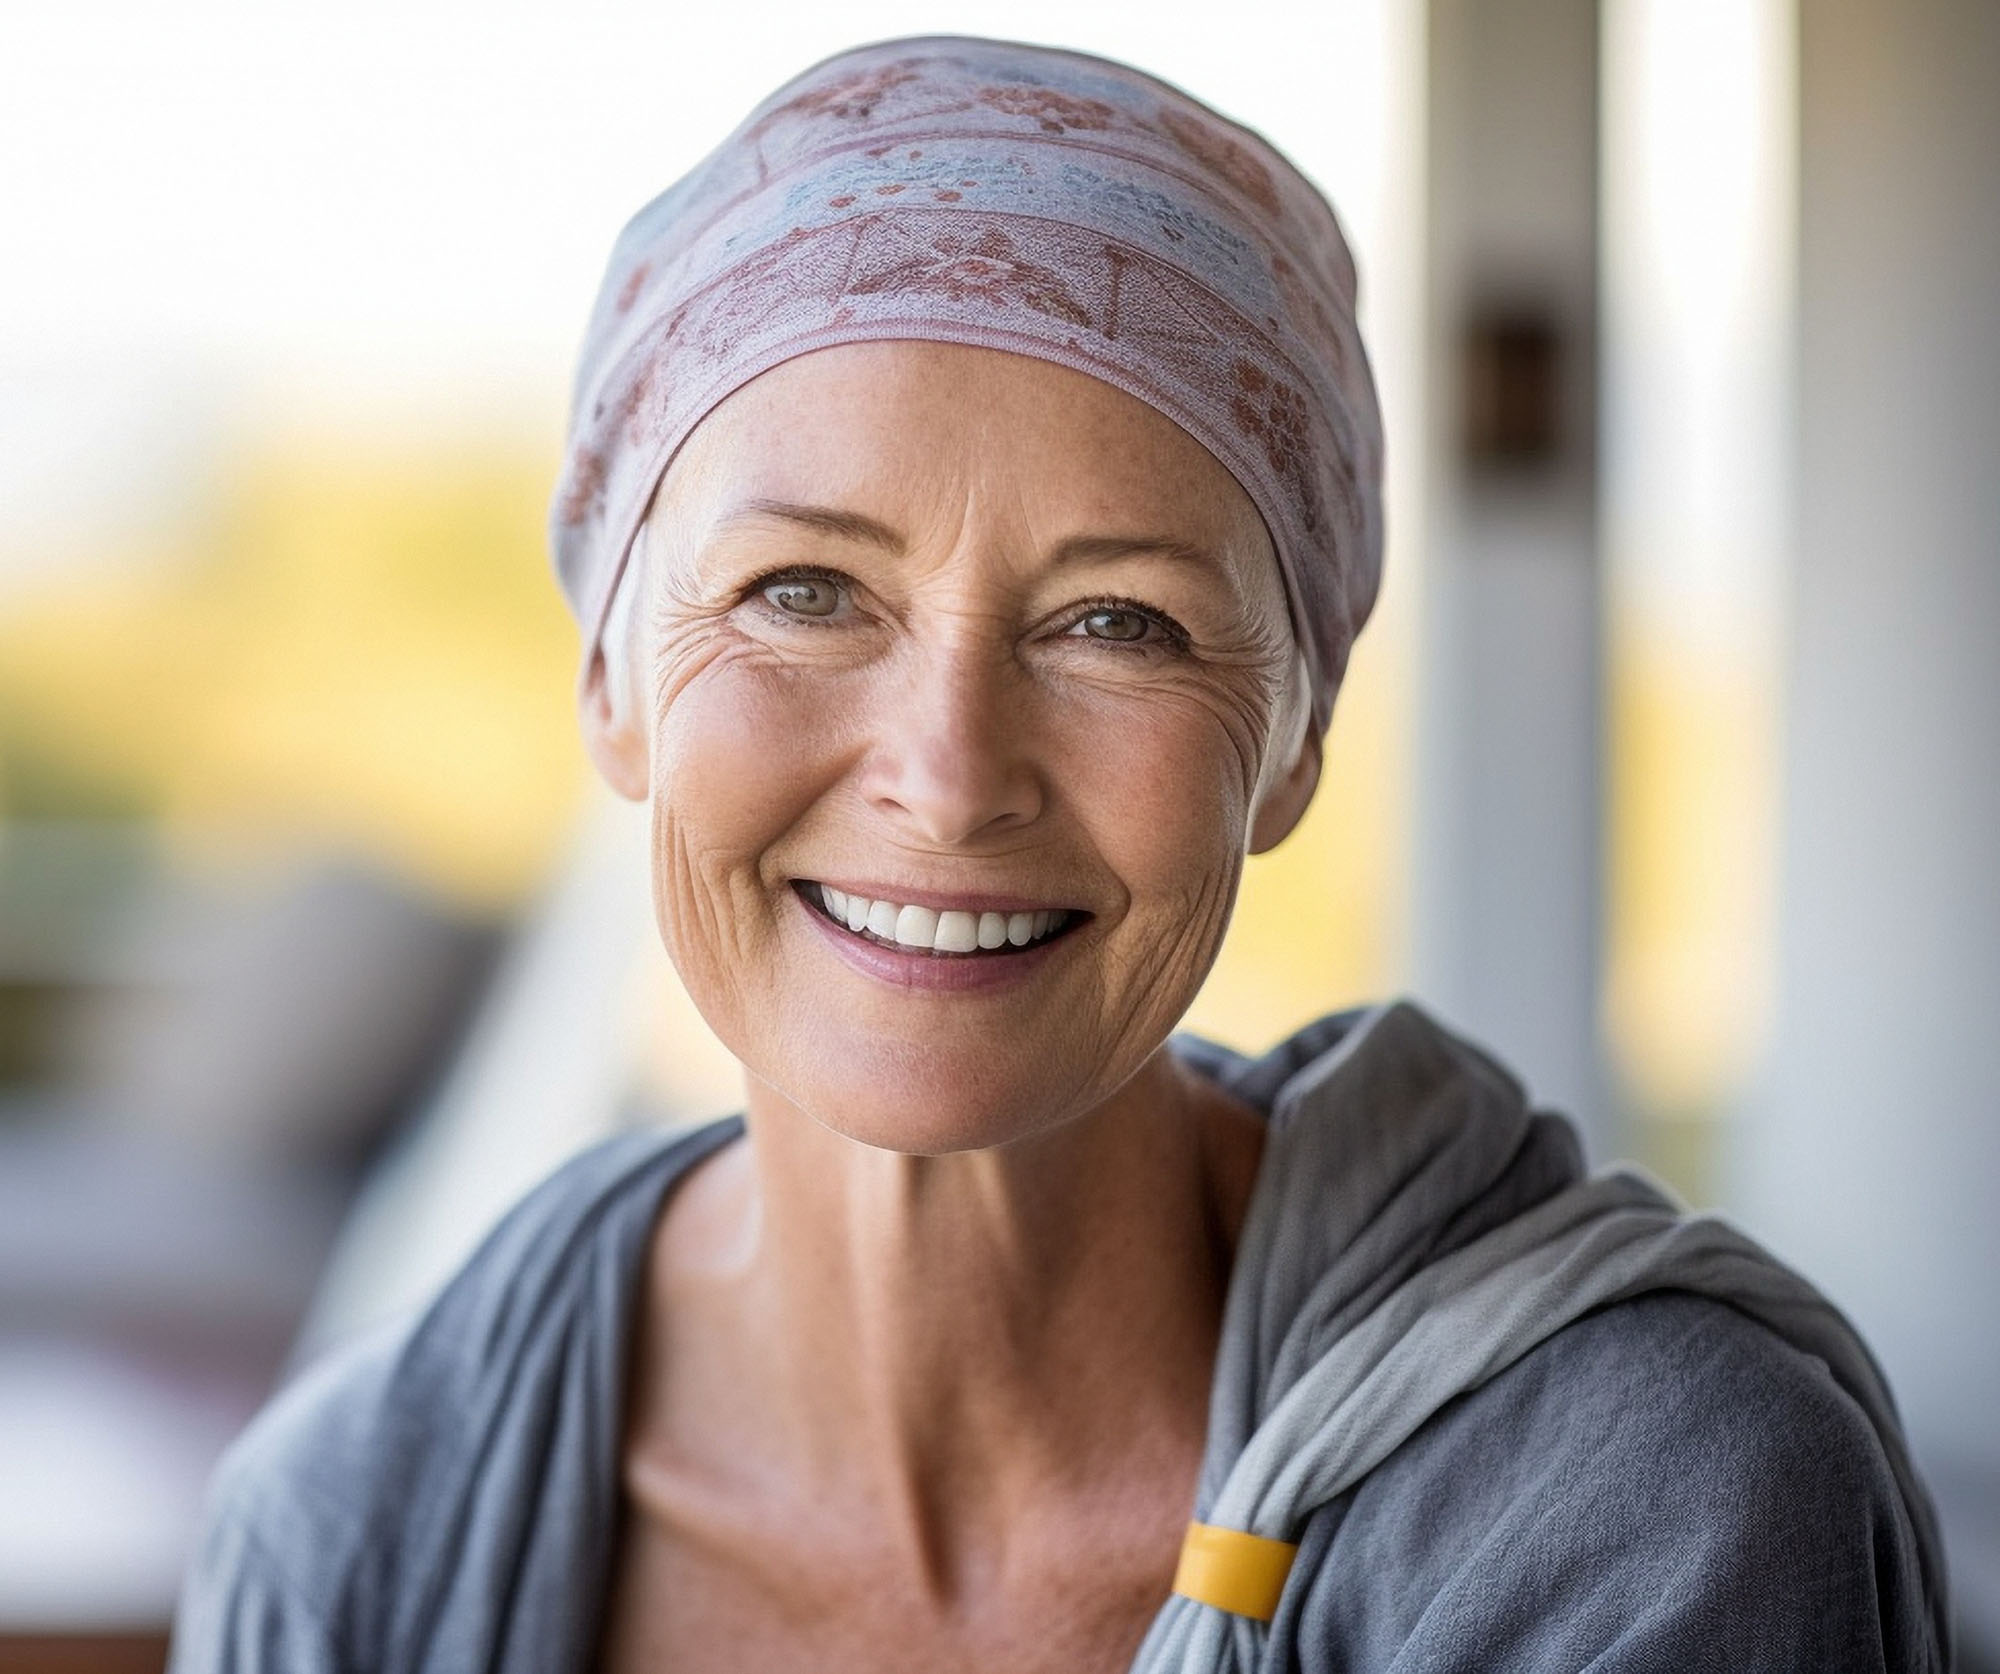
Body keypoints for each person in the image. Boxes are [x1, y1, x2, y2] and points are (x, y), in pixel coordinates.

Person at [170, 36, 1948, 1673]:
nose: (948, 777)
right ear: (609, 683)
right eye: (804, 593)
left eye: (1121, 623)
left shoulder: (1648, 1515)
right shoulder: (353, 1528)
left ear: (1296, 741)